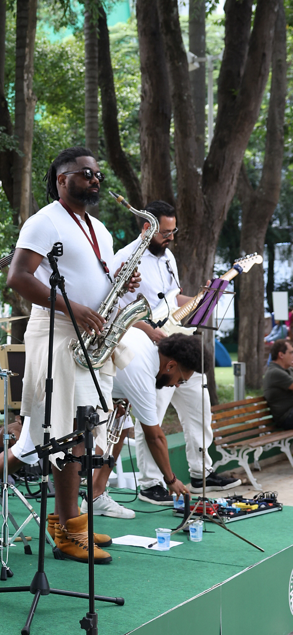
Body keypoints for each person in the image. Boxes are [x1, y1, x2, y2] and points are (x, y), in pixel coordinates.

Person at [7, 146, 143, 565]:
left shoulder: (98, 227)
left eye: (97, 174)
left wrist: (121, 282)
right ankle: (69, 528)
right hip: (59, 333)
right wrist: (72, 308)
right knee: (67, 432)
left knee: (84, 431)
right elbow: (18, 277)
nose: (95, 179)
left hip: (91, 336)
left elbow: (91, 276)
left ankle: (68, 522)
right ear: (62, 179)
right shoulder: (43, 221)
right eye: (86, 173)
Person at [112, 201, 239, 503]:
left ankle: (201, 472)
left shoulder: (168, 256)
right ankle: (151, 484)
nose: (170, 237)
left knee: (200, 408)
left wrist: (202, 298)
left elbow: (173, 300)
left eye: (173, 231)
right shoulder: (124, 258)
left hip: (177, 344)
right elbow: (117, 312)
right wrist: (149, 331)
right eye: (165, 232)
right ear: (147, 227)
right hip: (150, 353)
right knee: (151, 415)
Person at [91, 332, 198, 504]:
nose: (177, 385)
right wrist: (171, 479)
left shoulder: (144, 341)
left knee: (121, 424)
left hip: (90, 376)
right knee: (116, 426)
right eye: (181, 380)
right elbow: (155, 437)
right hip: (75, 386)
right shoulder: (144, 374)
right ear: (171, 365)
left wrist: (118, 395)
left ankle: (96, 495)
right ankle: (91, 498)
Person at [263, 340, 293, 429]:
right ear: (281, 355)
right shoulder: (275, 372)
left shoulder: (288, 370)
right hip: (286, 417)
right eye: (291, 353)